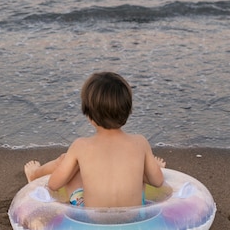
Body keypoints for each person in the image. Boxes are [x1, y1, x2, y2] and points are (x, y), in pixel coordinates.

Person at [24, 71, 165, 208]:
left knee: (68, 163)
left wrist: (77, 167)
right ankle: (148, 169)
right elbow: (158, 182)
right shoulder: (140, 142)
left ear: (89, 116)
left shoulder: (81, 146)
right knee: (138, 171)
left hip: (92, 221)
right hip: (133, 218)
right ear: (128, 111)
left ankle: (34, 176)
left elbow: (54, 185)